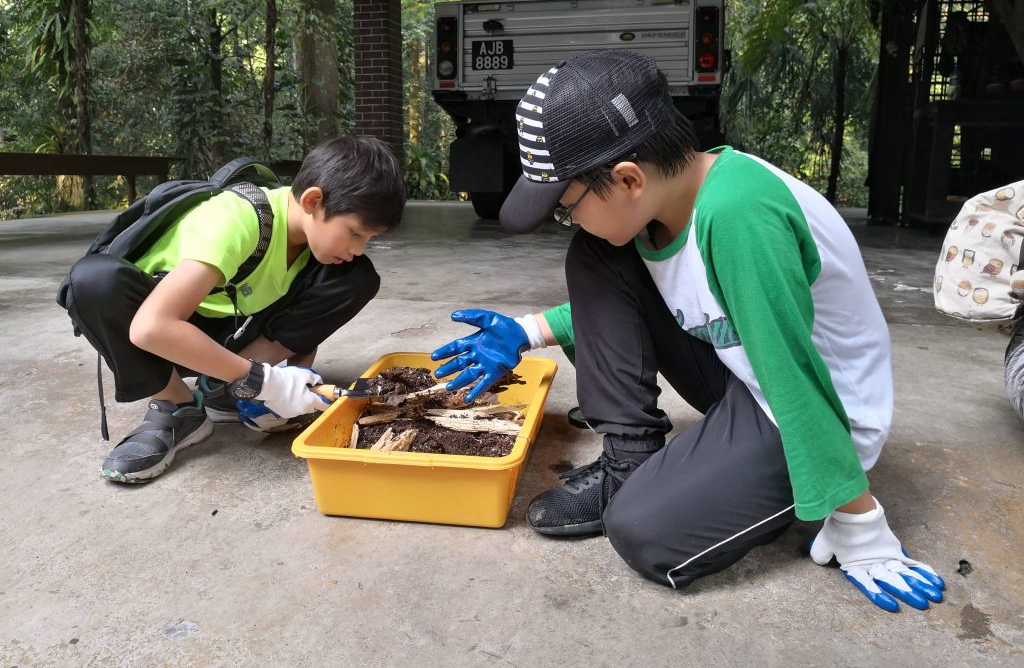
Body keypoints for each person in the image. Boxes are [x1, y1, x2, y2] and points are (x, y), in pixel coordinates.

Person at [431, 50, 945, 612]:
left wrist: (858, 521)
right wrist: (525, 332)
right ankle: (628, 460)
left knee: (646, 533)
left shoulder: (738, 215)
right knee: (597, 257)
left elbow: (791, 373)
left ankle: (737, 487)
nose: (568, 219)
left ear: (627, 178)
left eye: (566, 206)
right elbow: (670, 298)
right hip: (742, 369)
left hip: (813, 406)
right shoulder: (667, 197)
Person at [63, 135, 405, 484]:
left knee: (357, 277)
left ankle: (223, 389)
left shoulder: (313, 245)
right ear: (313, 201)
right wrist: (265, 382)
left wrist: (291, 380)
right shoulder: (236, 220)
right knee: (93, 280)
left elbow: (303, 322)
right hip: (159, 341)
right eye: (355, 233)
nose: (359, 248)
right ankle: (177, 406)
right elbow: (151, 327)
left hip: (229, 327)